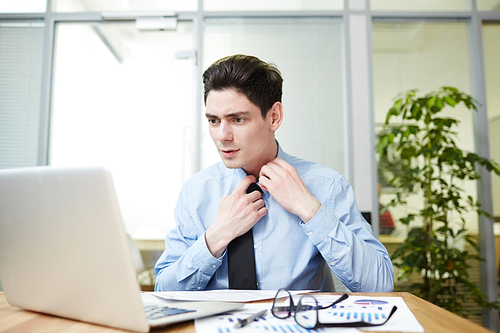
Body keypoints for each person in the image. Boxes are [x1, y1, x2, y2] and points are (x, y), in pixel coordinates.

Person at [154, 54, 394, 292]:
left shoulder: (327, 186)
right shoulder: (196, 192)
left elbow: (380, 285)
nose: (222, 136)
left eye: (237, 119)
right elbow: (163, 291)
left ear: (274, 117)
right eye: (213, 121)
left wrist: (310, 210)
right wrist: (216, 237)